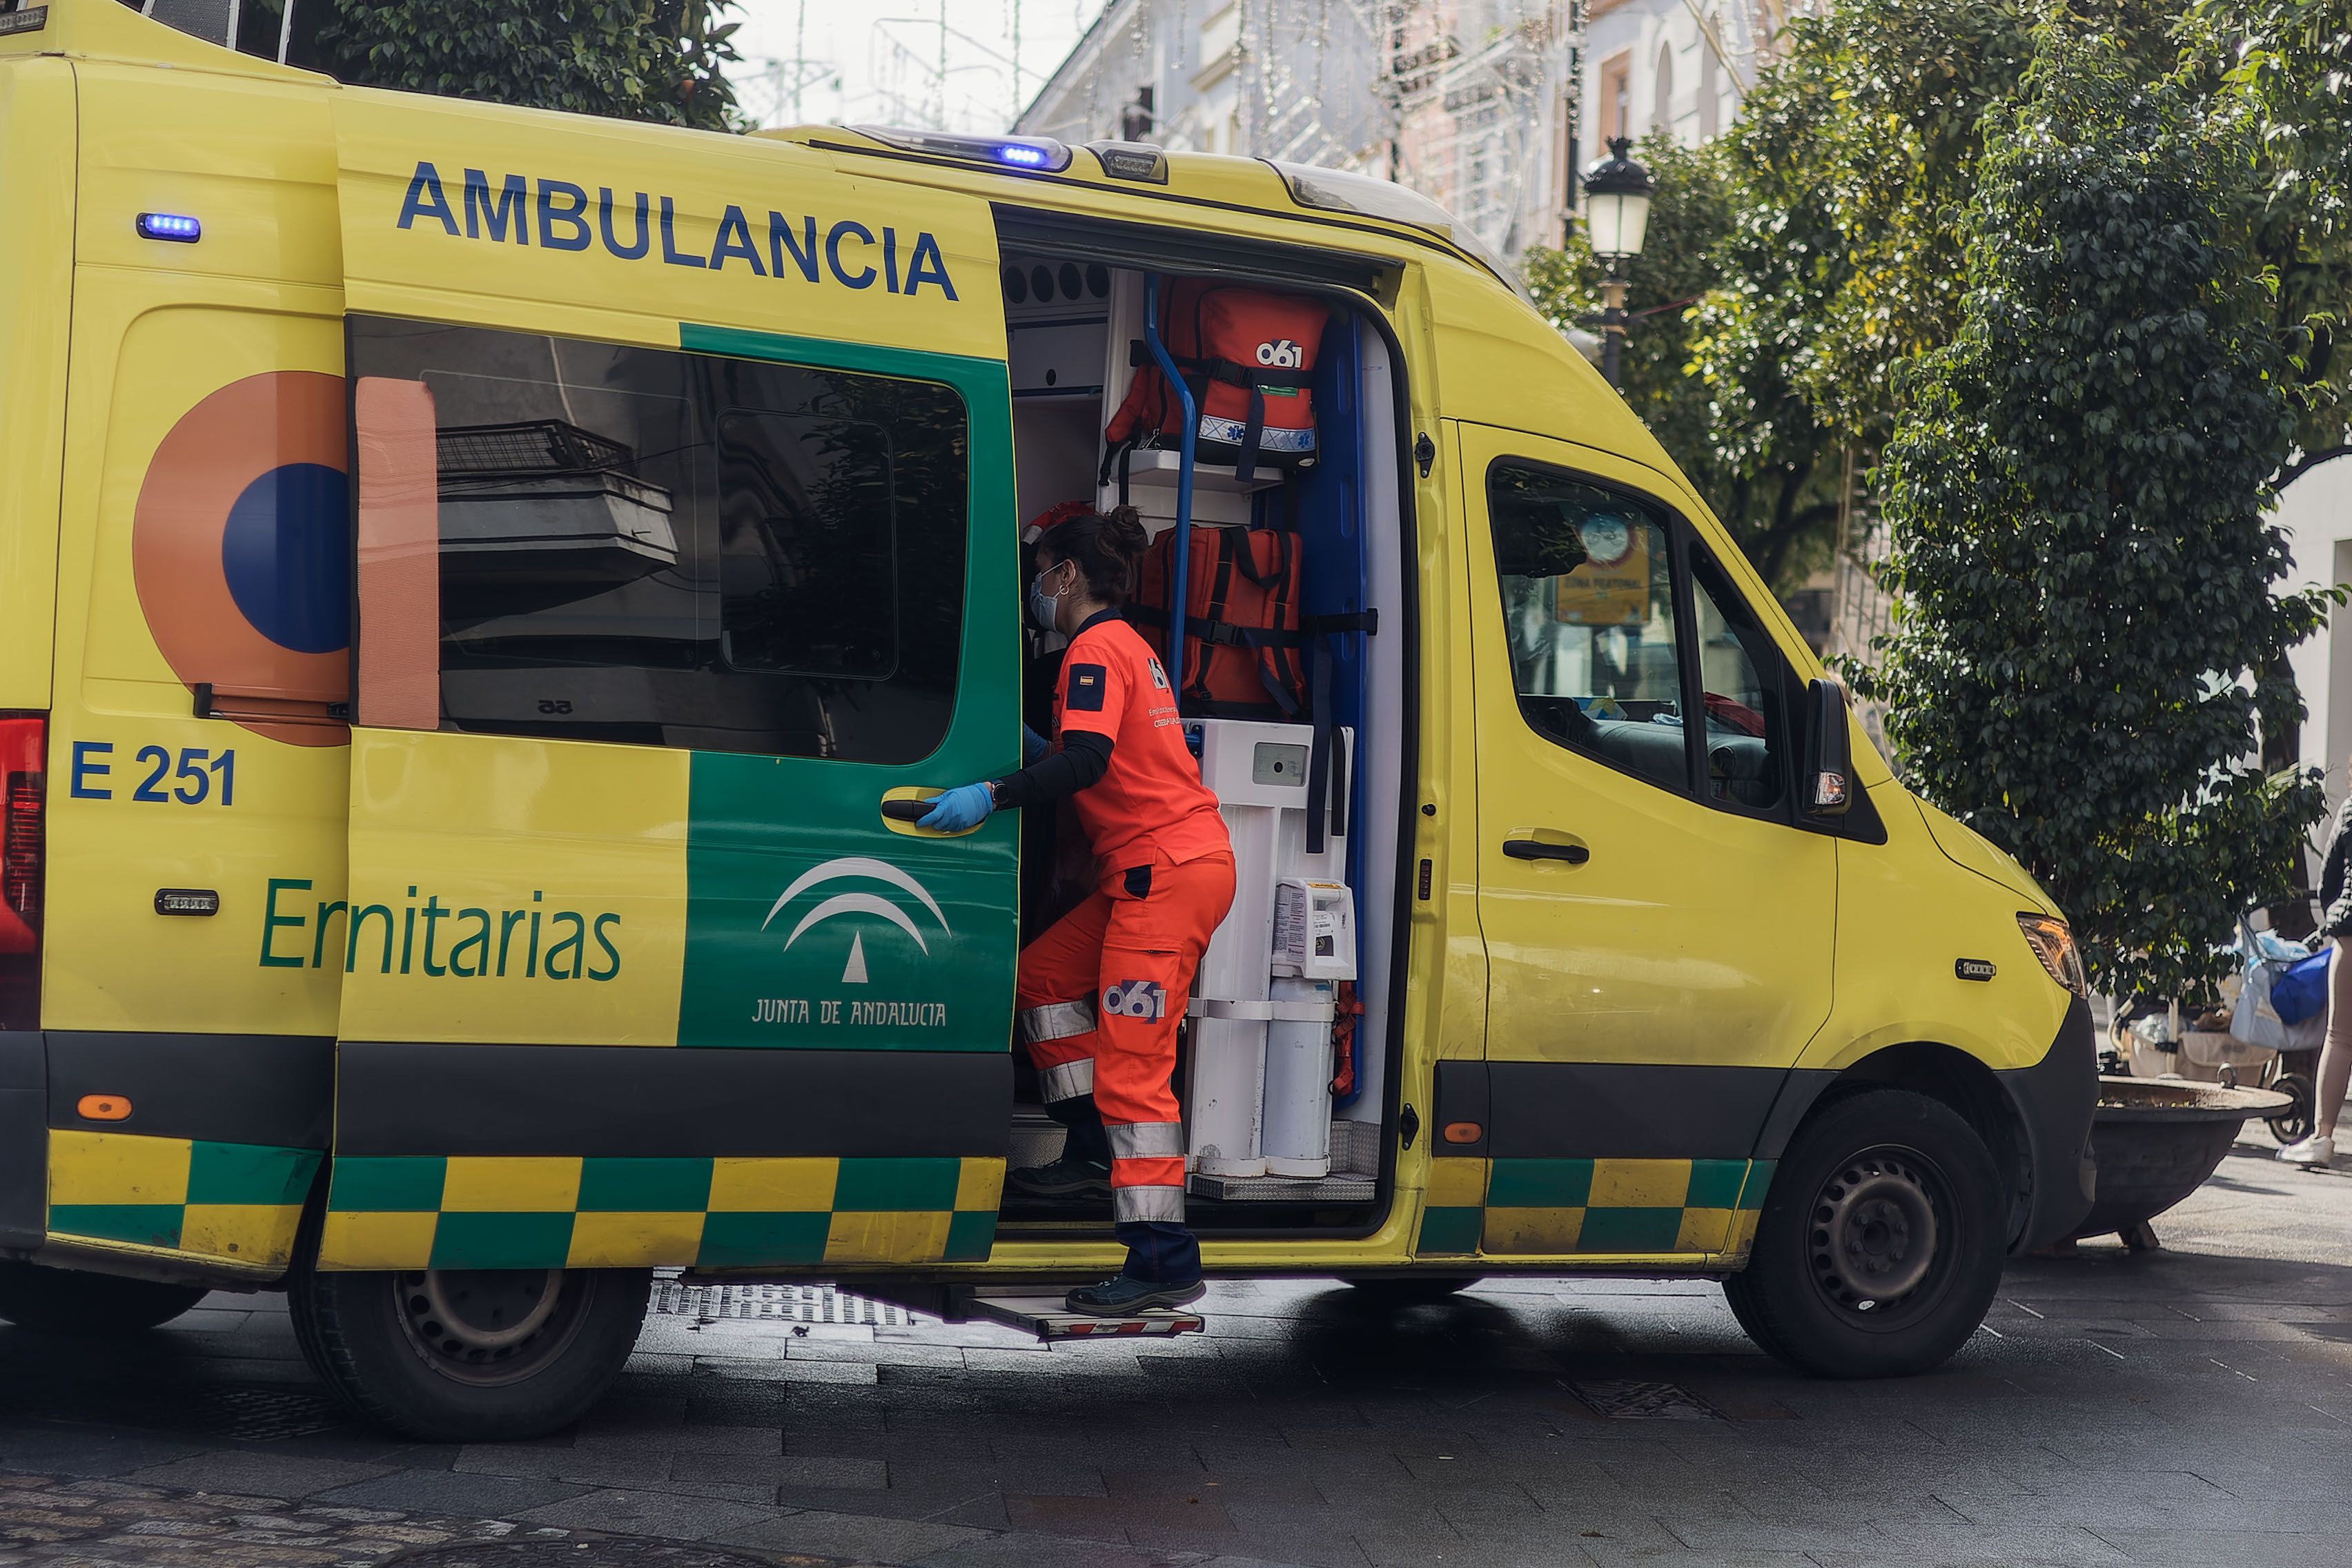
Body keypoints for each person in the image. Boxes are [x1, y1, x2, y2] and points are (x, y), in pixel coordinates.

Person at [918, 508, 1235, 1312]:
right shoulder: (1128, 645)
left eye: (1040, 570)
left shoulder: (1091, 651)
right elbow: (1102, 753)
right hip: (1161, 868)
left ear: (1065, 575)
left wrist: (992, 793)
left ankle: (1162, 1255)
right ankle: (1094, 1150)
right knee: (1043, 980)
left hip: (1160, 878)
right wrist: (1028, 746)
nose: (1036, 586)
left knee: (1136, 1069)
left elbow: (1089, 763)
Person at [2281, 789, 2352, 1168]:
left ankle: (2322, 1138)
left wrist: (2335, 921)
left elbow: (2328, 882)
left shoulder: (2350, 810)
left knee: (2340, 1038)